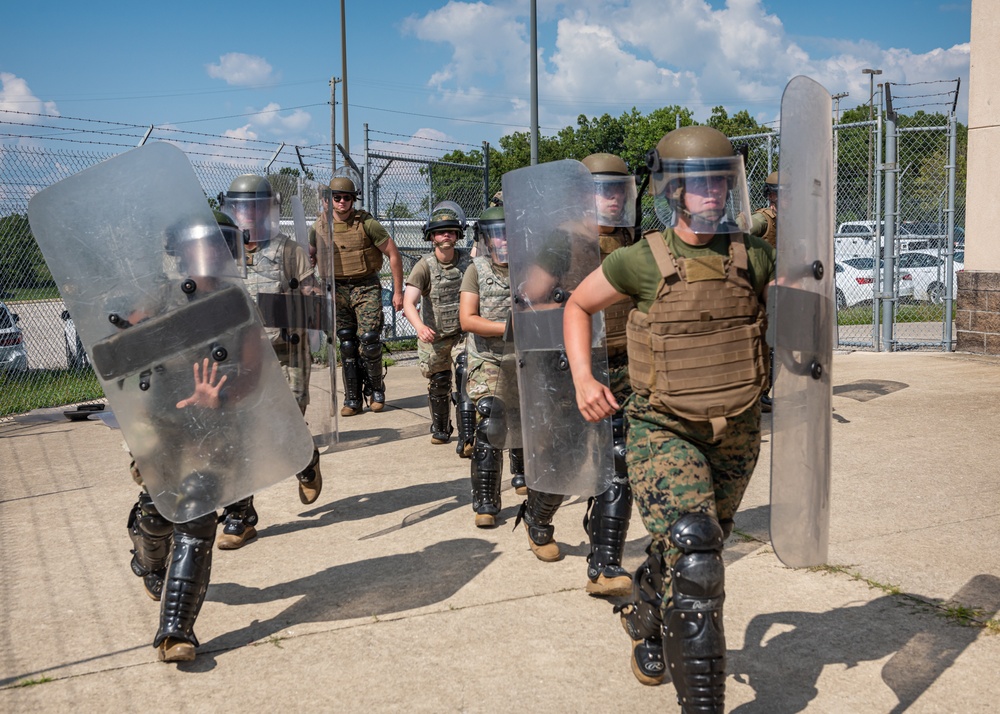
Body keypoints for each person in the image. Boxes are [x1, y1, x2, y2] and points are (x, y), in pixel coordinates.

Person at [563, 126, 775, 709]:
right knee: (698, 551)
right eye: (699, 183)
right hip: (665, 428)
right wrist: (584, 378)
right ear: (674, 191)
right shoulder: (642, 260)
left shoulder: (753, 255)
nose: (713, 193)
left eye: (721, 181)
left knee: (695, 553)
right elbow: (578, 305)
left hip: (737, 431)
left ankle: (648, 611)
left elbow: (790, 314)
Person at [126, 210, 258, 661]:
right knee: (157, 510)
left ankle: (175, 632)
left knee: (198, 506)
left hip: (215, 425)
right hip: (160, 423)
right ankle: (146, 558)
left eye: (221, 245)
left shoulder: (238, 305)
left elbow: (253, 375)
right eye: (203, 244)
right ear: (181, 253)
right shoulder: (158, 300)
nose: (213, 255)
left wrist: (219, 399)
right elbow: (124, 358)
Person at [509, 153, 639, 582]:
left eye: (620, 189)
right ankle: (538, 516)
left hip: (624, 362)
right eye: (604, 189)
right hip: (573, 364)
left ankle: (603, 563)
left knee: (619, 457)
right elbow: (529, 300)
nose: (614, 198)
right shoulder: (564, 239)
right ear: (584, 194)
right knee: (567, 454)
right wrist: (572, 307)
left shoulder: (633, 238)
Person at [218, 175, 324, 550]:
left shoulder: (288, 250)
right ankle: (239, 517)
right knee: (239, 432)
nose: (249, 213)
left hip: (286, 351)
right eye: (243, 207)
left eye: (257, 206)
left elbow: (313, 301)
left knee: (286, 425)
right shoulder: (218, 250)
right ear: (232, 209)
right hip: (237, 356)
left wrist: (305, 301)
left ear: (269, 209)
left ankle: (306, 459)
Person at [309, 168, 404, 416]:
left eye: (347, 198)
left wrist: (397, 292)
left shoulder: (367, 224)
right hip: (336, 288)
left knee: (370, 339)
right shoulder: (318, 227)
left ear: (353, 199)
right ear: (327, 199)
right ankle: (352, 397)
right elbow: (308, 256)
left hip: (366, 286)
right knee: (347, 342)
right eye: (337, 197)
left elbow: (393, 254)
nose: (342, 202)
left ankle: (375, 391)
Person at [458, 206, 527, 528]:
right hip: (488, 358)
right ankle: (486, 500)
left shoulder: (530, 269)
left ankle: (526, 474)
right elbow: (467, 319)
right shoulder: (477, 269)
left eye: (509, 234)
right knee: (493, 419)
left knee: (528, 417)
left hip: (525, 359)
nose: (504, 242)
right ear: (487, 239)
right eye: (497, 235)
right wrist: (509, 329)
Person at [402, 202, 473, 445]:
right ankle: (442, 428)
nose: (446, 236)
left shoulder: (468, 263)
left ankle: (468, 436)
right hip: (436, 335)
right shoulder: (425, 266)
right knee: (440, 381)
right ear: (431, 237)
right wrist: (420, 327)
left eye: (451, 231)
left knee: (465, 377)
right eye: (441, 232)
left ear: (457, 236)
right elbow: (409, 301)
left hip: (463, 334)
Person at [748, 170, 778, 412]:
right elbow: (734, 233)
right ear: (771, 195)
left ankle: (762, 393)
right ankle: (754, 394)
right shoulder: (762, 220)